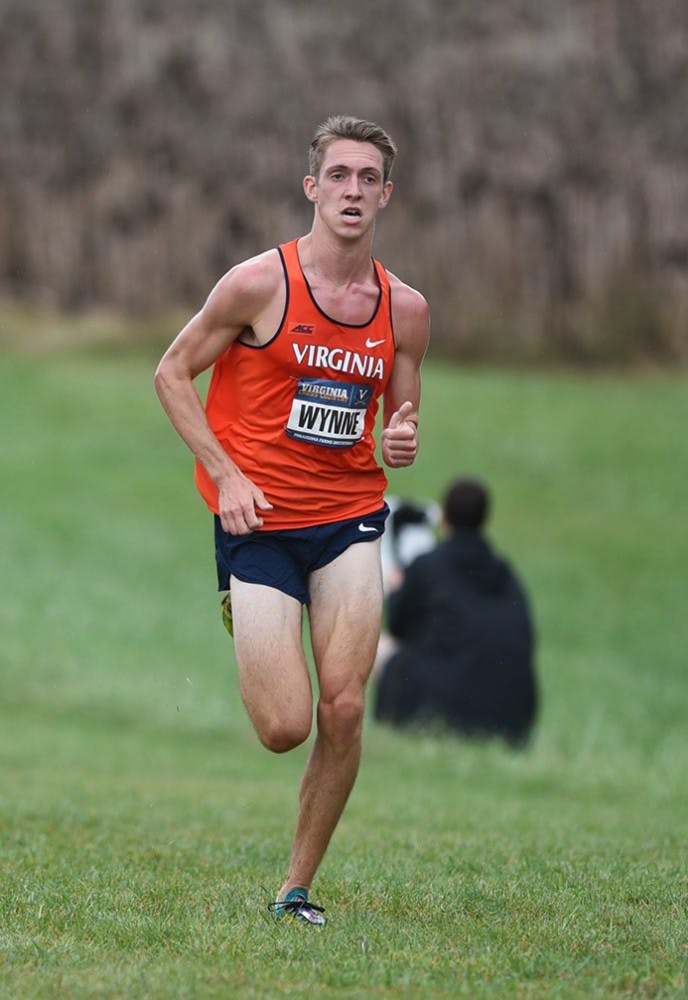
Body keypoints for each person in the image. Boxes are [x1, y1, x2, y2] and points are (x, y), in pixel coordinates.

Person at [154, 116, 430, 924]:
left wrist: (404, 433)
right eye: (337, 175)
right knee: (283, 726)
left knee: (345, 707)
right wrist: (225, 472)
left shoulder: (405, 309)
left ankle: (294, 890)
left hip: (347, 516)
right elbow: (171, 373)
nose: (352, 191)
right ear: (312, 187)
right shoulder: (256, 284)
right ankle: (243, 603)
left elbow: (401, 414)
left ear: (386, 193)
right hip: (259, 519)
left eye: (366, 178)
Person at [373, 478, 538, 747]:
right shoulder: (506, 575)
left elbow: (398, 626)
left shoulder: (427, 566)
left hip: (441, 705)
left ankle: (388, 727)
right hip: (511, 717)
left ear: (445, 517)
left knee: (381, 649)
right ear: (485, 521)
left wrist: (396, 592)